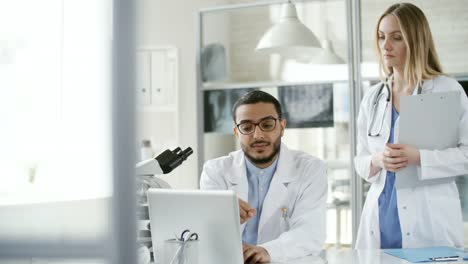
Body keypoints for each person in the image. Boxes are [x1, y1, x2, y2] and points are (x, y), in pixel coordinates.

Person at [354, 2, 468, 249]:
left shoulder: (446, 90)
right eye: (381, 37)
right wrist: (377, 159)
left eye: (397, 38)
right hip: (381, 220)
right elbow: (360, 160)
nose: (385, 46)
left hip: (429, 222)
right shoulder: (373, 97)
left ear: (416, 40)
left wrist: (419, 157)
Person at [200, 90, 327, 263]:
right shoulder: (216, 171)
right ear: (237, 132)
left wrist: (267, 251)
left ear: (282, 127)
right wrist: (224, 216)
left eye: (267, 125)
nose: (258, 135)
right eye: (246, 127)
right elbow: (206, 231)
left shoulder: (310, 169)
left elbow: (311, 232)